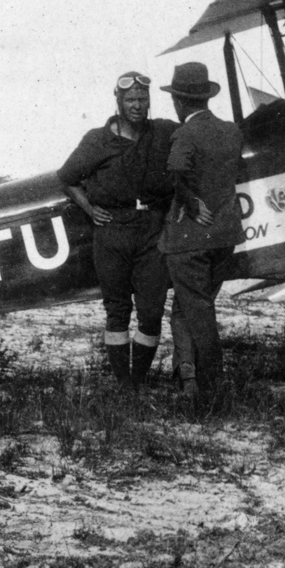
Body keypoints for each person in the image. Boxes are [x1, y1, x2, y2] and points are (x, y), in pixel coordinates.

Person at [58, 71, 178, 384]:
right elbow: (67, 178)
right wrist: (89, 208)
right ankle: (125, 386)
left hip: (152, 231)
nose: (137, 105)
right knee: (117, 311)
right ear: (118, 100)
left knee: (151, 312)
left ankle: (137, 378)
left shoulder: (163, 132)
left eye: (142, 99)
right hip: (112, 231)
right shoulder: (97, 139)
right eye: (131, 100)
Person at [158, 61, 244, 397]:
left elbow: (175, 171)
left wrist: (190, 201)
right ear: (206, 97)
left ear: (179, 102)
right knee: (189, 304)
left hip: (188, 241)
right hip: (224, 237)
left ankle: (212, 388)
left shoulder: (185, 133)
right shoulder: (232, 131)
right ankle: (187, 375)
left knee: (197, 312)